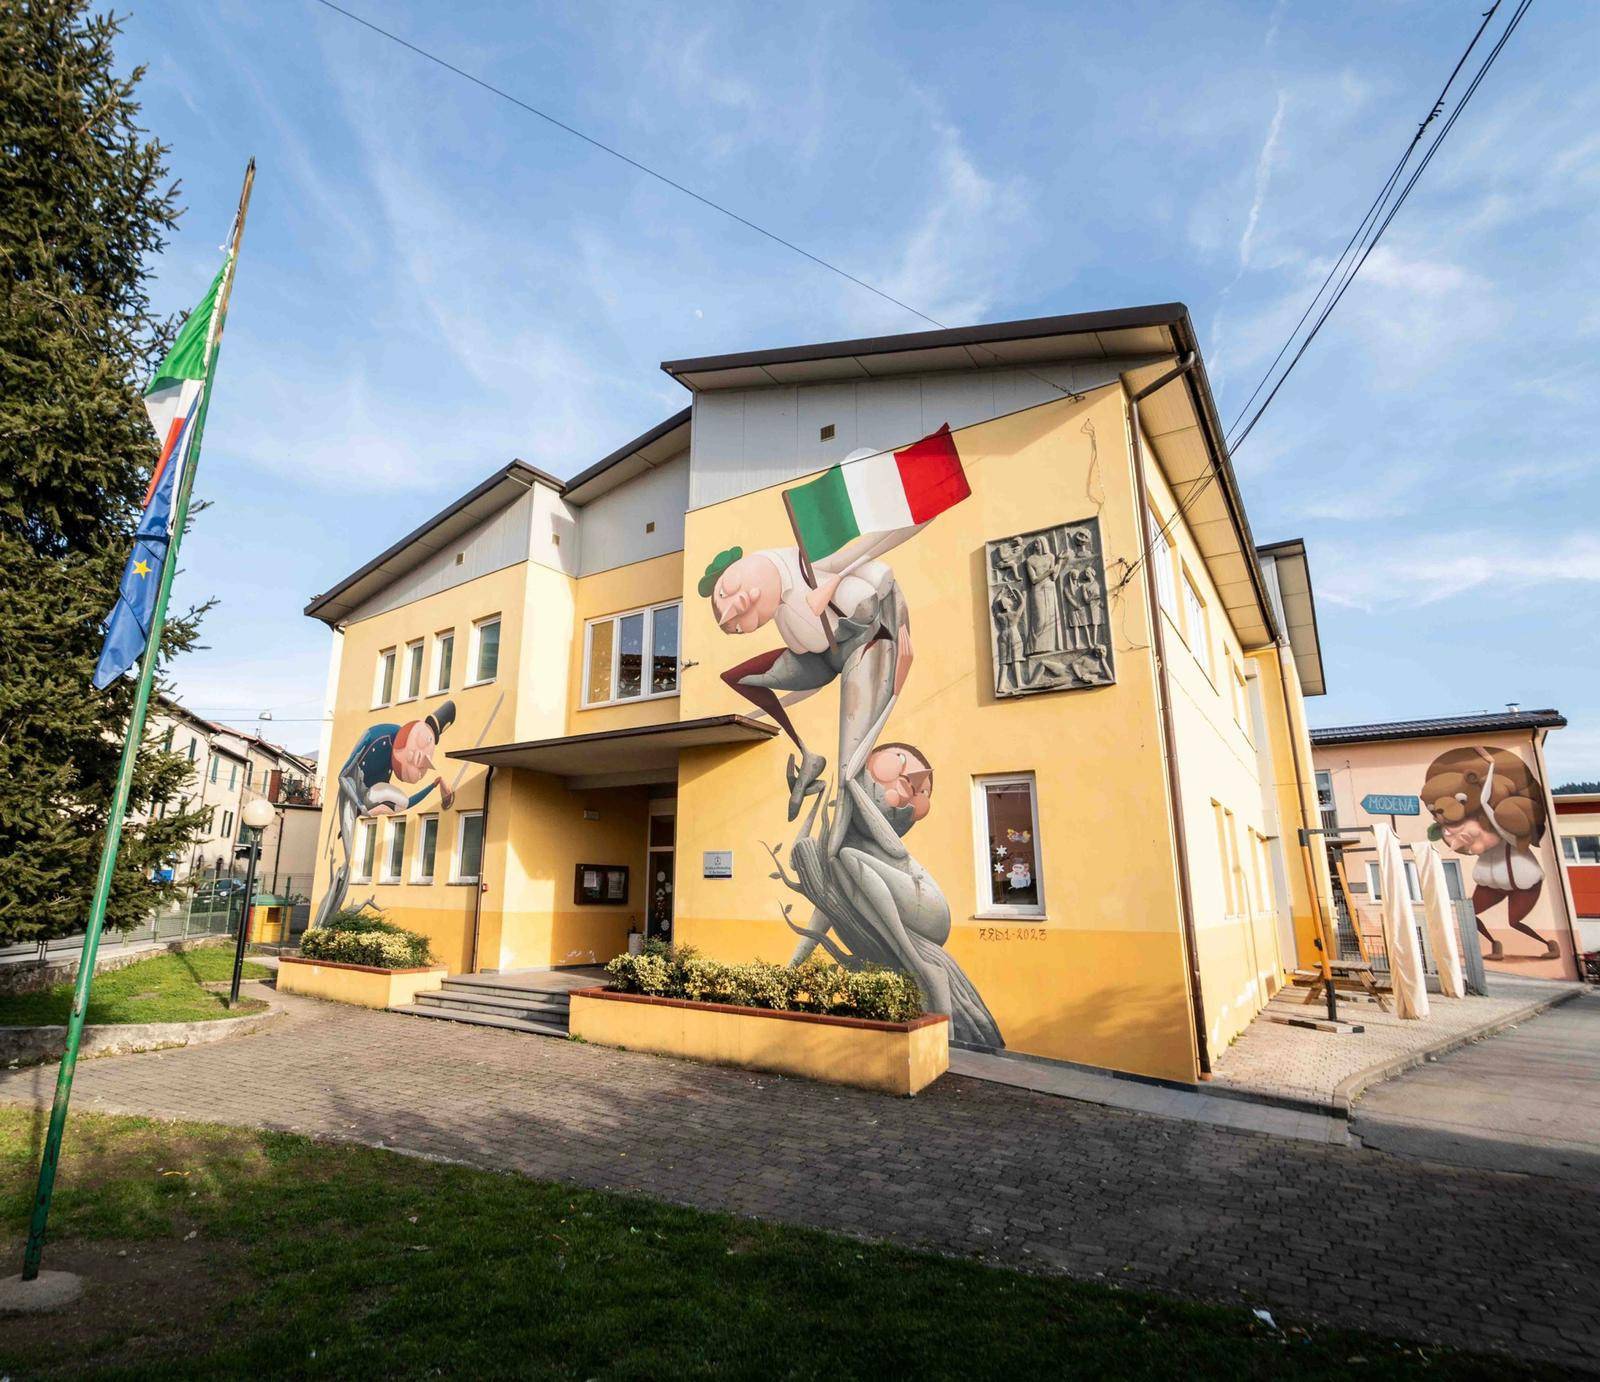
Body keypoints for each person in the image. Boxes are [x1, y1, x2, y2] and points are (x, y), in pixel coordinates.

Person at [704, 542, 910, 817]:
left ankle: (848, 831)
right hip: (822, 661)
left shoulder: (808, 558)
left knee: (850, 770)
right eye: (739, 628)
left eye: (725, 591)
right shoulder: (782, 610)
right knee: (736, 677)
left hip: (866, 645)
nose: (736, 608)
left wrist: (898, 680)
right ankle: (809, 756)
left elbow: (876, 542)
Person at [312, 701, 456, 929]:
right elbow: (343, 775)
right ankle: (323, 923)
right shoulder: (379, 734)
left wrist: (435, 785)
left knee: (387, 799)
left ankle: (327, 920)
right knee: (344, 862)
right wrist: (357, 804)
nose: (420, 759)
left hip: (366, 797)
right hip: (356, 792)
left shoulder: (386, 782)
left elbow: (407, 803)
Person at [1421, 745, 1557, 960]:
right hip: (1491, 882)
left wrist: (1491, 768)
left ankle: (1549, 944)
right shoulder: (1470, 829)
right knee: (1470, 914)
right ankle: (1495, 944)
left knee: (1514, 920)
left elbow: (1485, 801)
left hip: (1523, 882)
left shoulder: (1508, 830)